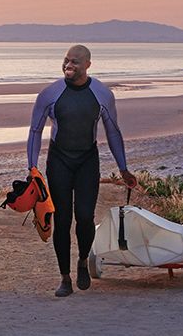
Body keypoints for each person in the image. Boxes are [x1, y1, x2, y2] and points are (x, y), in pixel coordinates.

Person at [24, 45, 134, 297]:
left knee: (85, 217)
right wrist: (32, 167)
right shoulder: (49, 94)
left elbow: (113, 132)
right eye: (65, 60)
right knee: (62, 219)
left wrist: (123, 168)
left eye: (74, 61)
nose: (68, 65)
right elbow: (35, 131)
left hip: (87, 159)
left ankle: (83, 261)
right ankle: (64, 278)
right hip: (59, 159)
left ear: (87, 65)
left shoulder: (102, 94)